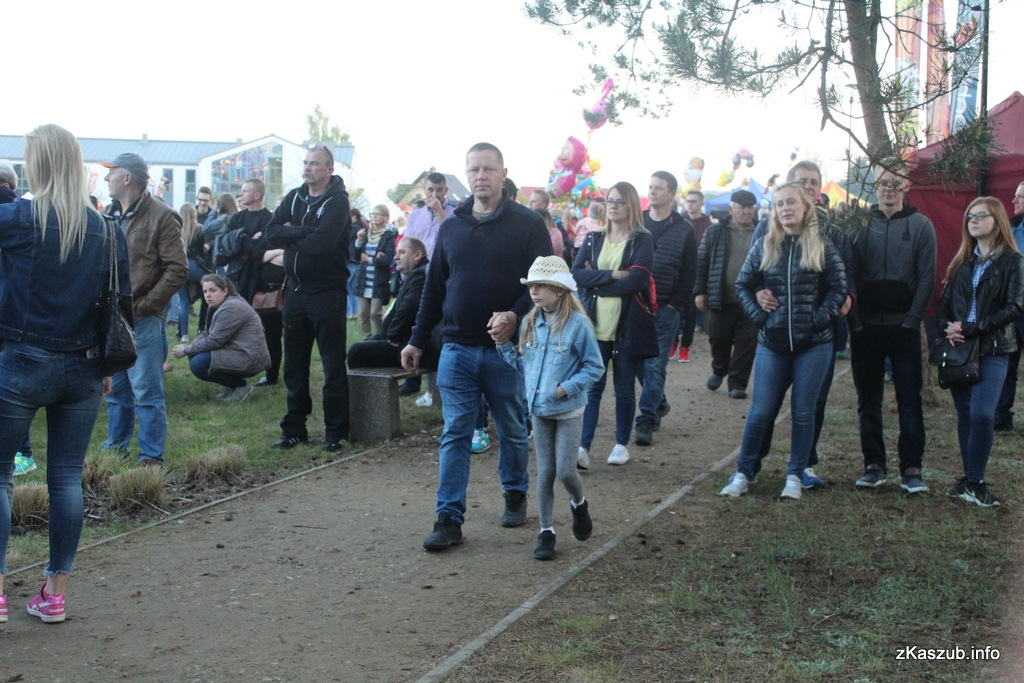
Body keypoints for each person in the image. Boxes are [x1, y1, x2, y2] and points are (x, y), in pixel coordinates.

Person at [0, 124, 131, 624]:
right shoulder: (106, 229)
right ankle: (55, 594)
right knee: (66, 479)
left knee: (0, 476)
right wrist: (108, 367)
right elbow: (120, 304)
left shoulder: (19, 218)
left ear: (38, 165)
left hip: (22, 359)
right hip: (84, 367)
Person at [401, 142, 552, 551]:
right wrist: (416, 339)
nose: (481, 176)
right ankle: (448, 519)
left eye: (489, 169)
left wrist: (515, 315)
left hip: (508, 351)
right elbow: (434, 289)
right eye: (474, 169)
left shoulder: (528, 224)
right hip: (456, 348)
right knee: (455, 432)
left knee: (512, 429)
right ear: (466, 175)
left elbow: (545, 282)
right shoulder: (451, 227)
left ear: (504, 174)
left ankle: (515, 492)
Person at [719, 182, 847, 499]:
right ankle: (743, 472)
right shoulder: (766, 244)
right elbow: (743, 284)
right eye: (779, 204)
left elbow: (838, 287)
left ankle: (794, 475)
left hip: (814, 344)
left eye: (791, 202)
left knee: (803, 412)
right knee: (761, 411)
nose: (786, 208)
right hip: (772, 344)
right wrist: (761, 318)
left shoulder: (821, 243)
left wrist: (817, 319)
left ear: (805, 207)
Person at [748, 160, 857, 489]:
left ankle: (804, 465)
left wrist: (847, 297)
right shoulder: (768, 226)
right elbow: (753, 272)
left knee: (812, 403)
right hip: (777, 329)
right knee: (766, 405)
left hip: (819, 331)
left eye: (813, 181)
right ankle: (751, 463)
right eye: (802, 181)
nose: (809, 186)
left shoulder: (832, 228)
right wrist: (759, 294)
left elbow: (847, 270)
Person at [498, 256, 604, 560]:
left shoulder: (578, 325)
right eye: (532, 285)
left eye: (542, 285)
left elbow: (595, 367)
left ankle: (579, 503)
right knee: (545, 473)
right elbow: (524, 365)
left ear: (559, 290)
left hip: (569, 410)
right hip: (539, 410)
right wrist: (502, 345)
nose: (534, 291)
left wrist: (565, 388)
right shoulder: (530, 322)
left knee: (566, 471)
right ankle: (546, 532)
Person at [847, 162, 936, 492]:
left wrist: (912, 321)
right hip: (866, 328)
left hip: (903, 327)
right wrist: (855, 322)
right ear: (874, 185)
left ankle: (911, 468)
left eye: (895, 183)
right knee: (868, 400)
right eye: (883, 182)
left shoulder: (921, 226)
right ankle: (874, 464)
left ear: (906, 187)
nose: (889, 188)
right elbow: (849, 274)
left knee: (909, 399)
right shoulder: (859, 225)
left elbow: (927, 277)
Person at [101, 153, 188, 467]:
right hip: (112, 318)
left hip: (142, 320)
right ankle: (115, 449)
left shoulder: (162, 215)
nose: (106, 178)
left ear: (127, 178)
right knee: (116, 392)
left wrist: (146, 307)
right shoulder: (109, 214)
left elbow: (178, 269)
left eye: (111, 172)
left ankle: (151, 458)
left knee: (147, 393)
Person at [937, 198, 1024, 507]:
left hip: (994, 346)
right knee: (965, 415)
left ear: (997, 220)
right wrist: (947, 328)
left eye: (980, 215)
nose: (972, 220)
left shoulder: (1013, 261)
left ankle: (976, 482)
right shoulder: (962, 262)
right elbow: (944, 304)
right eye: (969, 216)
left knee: (982, 414)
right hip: (960, 348)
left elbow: (1015, 306)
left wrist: (975, 327)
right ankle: (968, 479)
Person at [266, 144, 352, 452]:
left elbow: (323, 243)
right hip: (295, 293)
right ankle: (294, 429)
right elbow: (271, 233)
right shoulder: (294, 197)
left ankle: (336, 431)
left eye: (314, 163)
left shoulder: (338, 202)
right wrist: (304, 231)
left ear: (329, 169)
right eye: (306, 162)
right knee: (294, 365)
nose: (308, 168)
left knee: (332, 365)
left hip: (327, 294)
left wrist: (292, 234)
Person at [572, 181, 657, 468]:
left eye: (620, 201)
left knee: (624, 386)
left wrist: (598, 281)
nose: (613, 206)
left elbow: (638, 280)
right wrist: (614, 274)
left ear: (631, 205)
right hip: (595, 324)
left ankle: (621, 444)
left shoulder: (642, 239)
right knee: (592, 387)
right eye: (610, 200)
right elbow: (576, 275)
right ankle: (583, 447)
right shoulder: (593, 238)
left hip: (628, 324)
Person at [635, 171, 697, 446]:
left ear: (672, 193)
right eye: (651, 187)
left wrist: (675, 304)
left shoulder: (684, 228)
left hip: (666, 306)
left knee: (655, 363)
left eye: (659, 188)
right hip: (636, 305)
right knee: (637, 361)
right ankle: (659, 402)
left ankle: (646, 420)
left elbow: (690, 270)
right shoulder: (638, 222)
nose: (653, 191)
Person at [694, 189, 760, 399]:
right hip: (720, 297)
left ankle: (737, 383)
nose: (745, 212)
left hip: (752, 300)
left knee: (746, 343)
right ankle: (719, 368)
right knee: (718, 337)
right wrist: (700, 291)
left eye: (749, 208)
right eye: (741, 208)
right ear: (731, 209)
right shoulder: (715, 232)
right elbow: (701, 262)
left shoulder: (762, 232)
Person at [171, 274, 271, 401]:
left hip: (249, 356)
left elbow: (214, 341)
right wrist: (190, 347)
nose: (208, 295)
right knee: (194, 354)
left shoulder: (231, 307)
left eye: (213, 290)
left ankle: (240, 385)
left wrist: (186, 349)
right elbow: (207, 332)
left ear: (225, 291)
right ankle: (232, 385)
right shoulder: (219, 305)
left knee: (198, 364)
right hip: (236, 351)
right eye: (205, 291)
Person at [348, 236, 439, 371]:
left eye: (402, 252)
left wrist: (392, 336)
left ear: (417, 255)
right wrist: (381, 337)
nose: (396, 257)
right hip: (409, 342)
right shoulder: (416, 274)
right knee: (367, 344)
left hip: (418, 347)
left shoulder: (421, 275)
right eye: (396, 252)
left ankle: (372, 387)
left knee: (355, 352)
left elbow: (408, 309)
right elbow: (398, 311)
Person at [0, 163, 38, 477]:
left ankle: (22, 454)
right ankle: (21, 453)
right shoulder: (27, 214)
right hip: (22, 316)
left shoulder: (12, 216)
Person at [994, 180, 1024, 431]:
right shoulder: (1010, 230)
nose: (1014, 201)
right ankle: (1002, 417)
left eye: (1020, 197)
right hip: (1012, 309)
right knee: (1008, 363)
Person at [352, 204, 397, 339]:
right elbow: (357, 257)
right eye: (372, 214)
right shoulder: (366, 234)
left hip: (378, 281)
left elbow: (387, 259)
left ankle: (381, 337)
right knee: (363, 313)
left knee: (375, 313)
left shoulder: (388, 235)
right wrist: (359, 241)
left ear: (385, 218)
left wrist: (370, 259)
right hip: (364, 280)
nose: (374, 216)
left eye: (378, 214)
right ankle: (367, 339)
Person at [174, 203, 213, 343]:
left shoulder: (176, 229)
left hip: (179, 266)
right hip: (193, 265)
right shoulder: (198, 229)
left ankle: (183, 334)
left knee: (183, 302)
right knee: (209, 287)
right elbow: (201, 251)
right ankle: (202, 328)